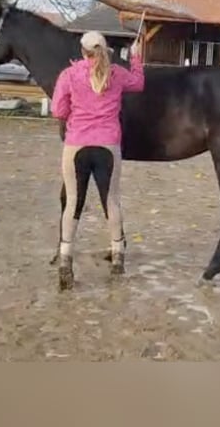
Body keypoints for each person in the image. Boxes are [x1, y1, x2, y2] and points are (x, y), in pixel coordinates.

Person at [50, 30, 145, 289]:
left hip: (76, 144)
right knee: (111, 201)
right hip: (108, 145)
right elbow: (139, 83)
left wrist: (74, 112)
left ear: (82, 51)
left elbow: (58, 110)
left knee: (72, 203)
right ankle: (117, 258)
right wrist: (136, 57)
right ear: (106, 51)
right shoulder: (117, 74)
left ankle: (65, 259)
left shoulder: (69, 75)